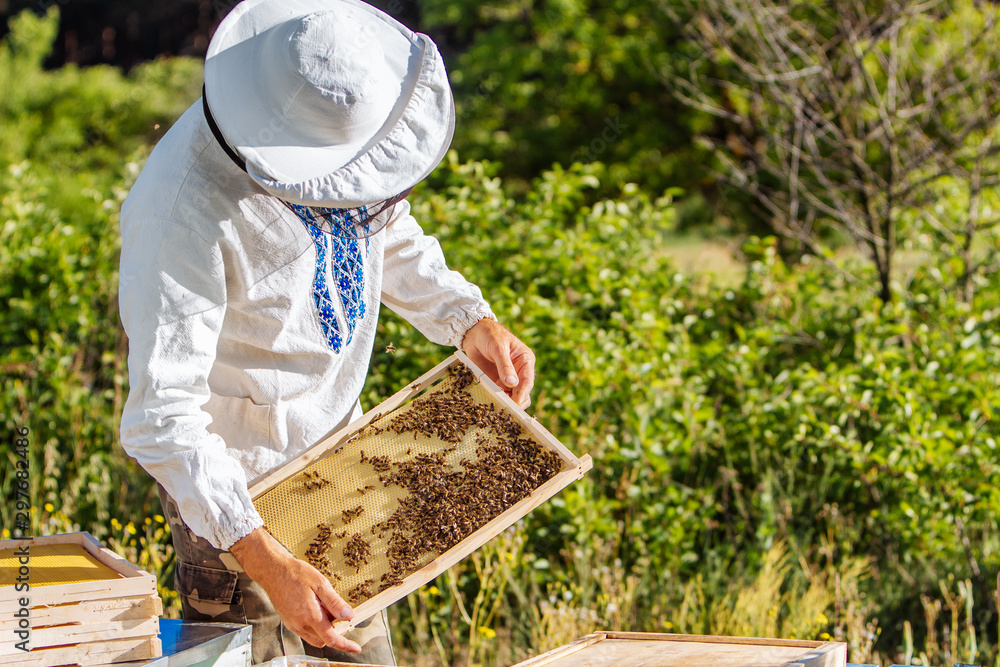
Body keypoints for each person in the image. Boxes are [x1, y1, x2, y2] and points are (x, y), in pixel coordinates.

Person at [117, 0, 535, 662]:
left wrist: (467, 317)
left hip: (339, 470)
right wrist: (262, 554)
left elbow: (378, 225)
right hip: (235, 500)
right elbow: (161, 420)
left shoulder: (330, 136)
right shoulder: (177, 214)